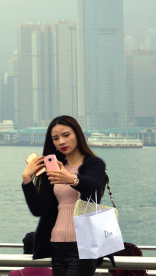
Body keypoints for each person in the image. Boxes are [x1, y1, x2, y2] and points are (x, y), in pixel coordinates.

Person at [21, 115, 107, 276]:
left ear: (78, 135)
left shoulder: (93, 164)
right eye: (56, 138)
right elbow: (38, 209)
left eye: (66, 135)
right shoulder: (55, 169)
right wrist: (27, 180)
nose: (61, 141)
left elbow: (94, 188)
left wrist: (73, 179)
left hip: (83, 246)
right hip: (56, 244)